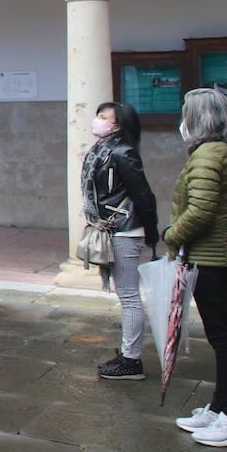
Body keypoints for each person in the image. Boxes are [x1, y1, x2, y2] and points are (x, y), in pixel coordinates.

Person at [167, 88, 227, 447]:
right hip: (225, 253)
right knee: (225, 338)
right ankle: (221, 408)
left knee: (225, 340)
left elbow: (201, 211)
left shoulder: (208, 154)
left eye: (186, 114)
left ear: (198, 119)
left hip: (213, 257)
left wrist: (171, 235)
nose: (183, 121)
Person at [82, 101, 158, 381]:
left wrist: (151, 231)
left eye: (103, 117)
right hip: (112, 228)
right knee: (125, 295)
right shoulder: (102, 149)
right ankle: (128, 352)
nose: (97, 120)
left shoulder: (122, 151)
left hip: (124, 229)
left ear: (117, 125)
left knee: (129, 296)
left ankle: (131, 360)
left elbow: (143, 194)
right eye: (98, 115)